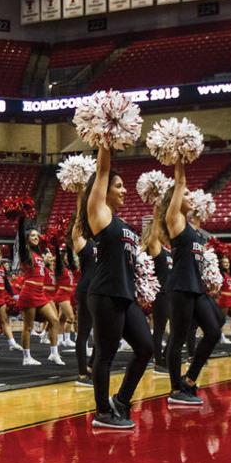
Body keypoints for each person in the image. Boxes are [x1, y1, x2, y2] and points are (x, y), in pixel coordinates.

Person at [83, 143, 153, 429]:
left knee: (146, 348)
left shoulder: (123, 222)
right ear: (105, 190)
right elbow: (102, 170)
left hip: (125, 295)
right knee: (105, 354)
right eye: (120, 186)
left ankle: (121, 401)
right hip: (105, 293)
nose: (125, 190)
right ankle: (102, 412)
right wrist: (106, 143)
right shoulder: (99, 214)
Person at [160, 157, 221, 406]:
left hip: (196, 287)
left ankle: (190, 380)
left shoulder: (193, 228)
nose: (189, 196)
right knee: (178, 337)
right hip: (180, 286)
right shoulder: (174, 220)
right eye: (184, 194)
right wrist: (179, 159)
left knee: (214, 331)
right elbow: (180, 181)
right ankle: (176, 390)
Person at [16, 217, 64, 365]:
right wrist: (21, 219)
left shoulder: (38, 255)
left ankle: (54, 353)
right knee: (28, 326)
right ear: (26, 238)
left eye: (37, 236)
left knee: (54, 320)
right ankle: (26, 357)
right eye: (32, 236)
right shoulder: (25, 253)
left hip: (40, 293)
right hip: (29, 291)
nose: (36, 238)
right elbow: (21, 238)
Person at [70, 194, 97, 388]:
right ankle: (82, 374)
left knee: (105, 333)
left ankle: (90, 367)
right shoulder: (82, 242)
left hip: (100, 290)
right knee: (84, 333)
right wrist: (81, 192)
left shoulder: (98, 241)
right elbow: (80, 220)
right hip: (86, 289)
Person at [142, 214, 171, 374]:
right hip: (160, 292)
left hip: (171, 293)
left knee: (178, 329)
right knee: (160, 328)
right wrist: (159, 215)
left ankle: (164, 358)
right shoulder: (155, 247)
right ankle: (159, 363)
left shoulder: (167, 250)